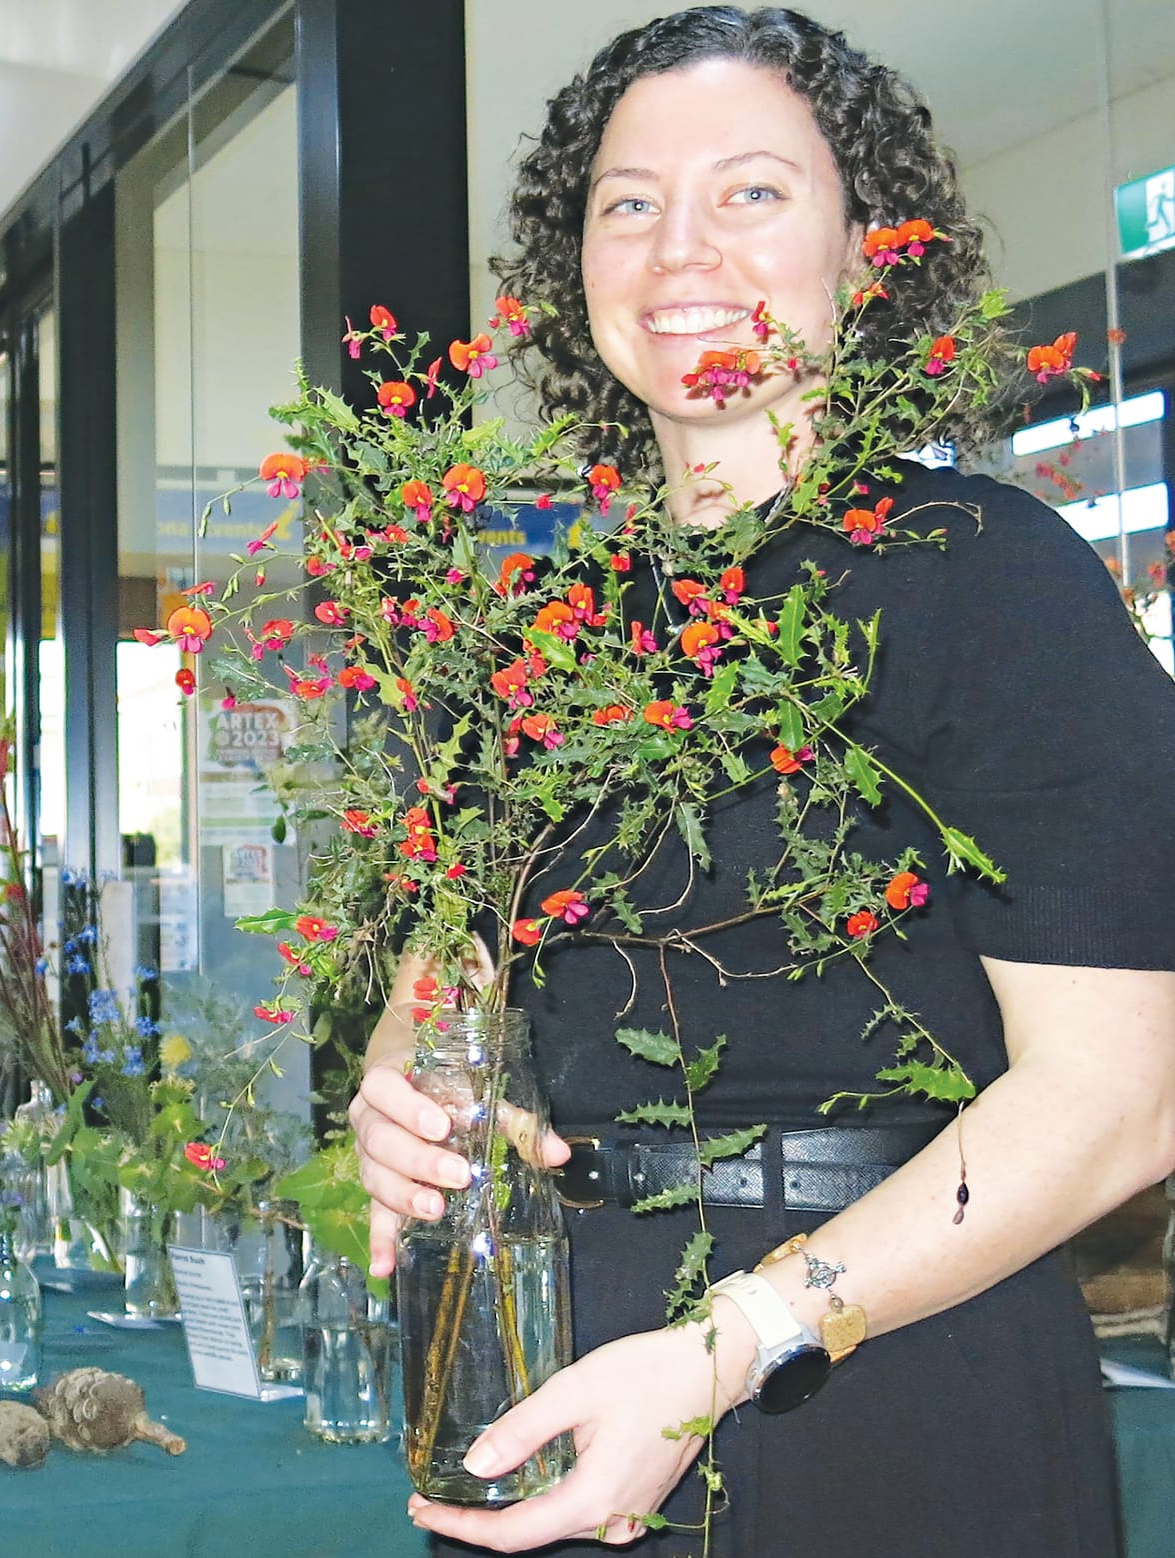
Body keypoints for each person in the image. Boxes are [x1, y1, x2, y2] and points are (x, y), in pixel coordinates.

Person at [349, 9, 1175, 1555]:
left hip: (886, 1389)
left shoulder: (986, 584)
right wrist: (401, 1091)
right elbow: (450, 970)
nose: (682, 251)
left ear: (867, 253)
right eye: (629, 202)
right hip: (558, 1383)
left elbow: (1125, 1099)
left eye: (751, 192)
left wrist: (729, 1343)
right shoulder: (547, 636)